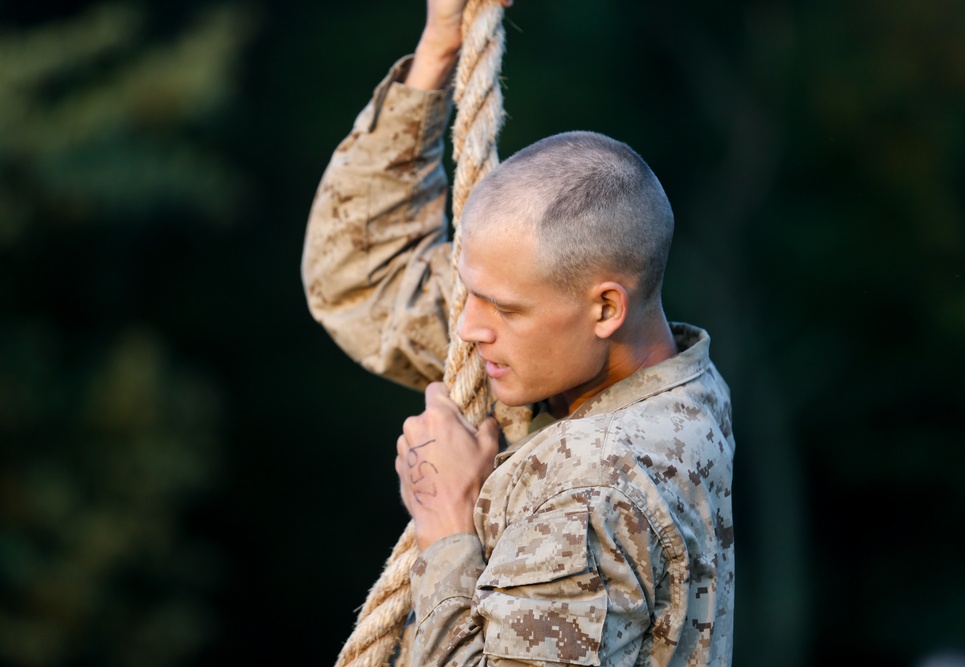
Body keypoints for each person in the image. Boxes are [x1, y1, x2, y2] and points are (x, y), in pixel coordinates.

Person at [302, 1, 735, 665]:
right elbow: (359, 276)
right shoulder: (632, 369)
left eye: (503, 307)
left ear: (604, 308)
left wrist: (446, 525)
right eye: (467, 292)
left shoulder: (593, 490)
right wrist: (440, 45)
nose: (469, 329)